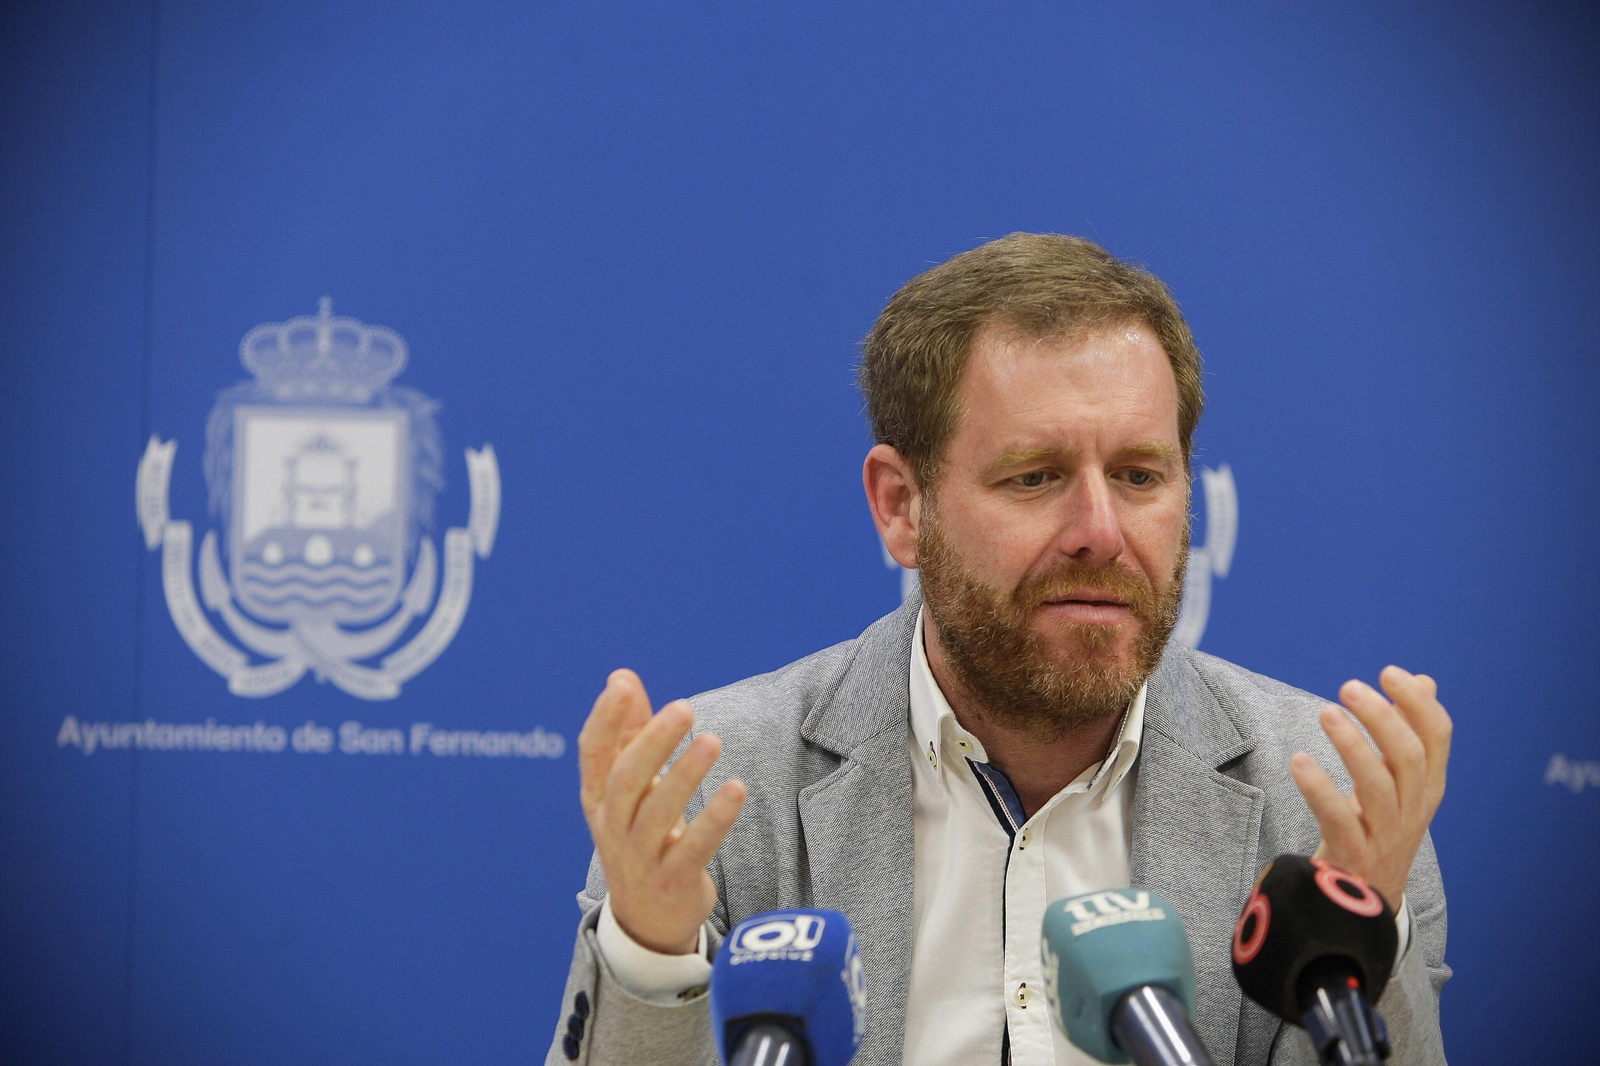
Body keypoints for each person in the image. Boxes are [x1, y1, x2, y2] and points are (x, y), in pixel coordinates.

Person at [546, 234, 1451, 1066]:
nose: (1100, 531)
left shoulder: (1328, 806)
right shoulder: (718, 791)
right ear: (902, 505)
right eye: (1036, 477)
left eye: (1140, 475)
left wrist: (1365, 934)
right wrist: (652, 960)